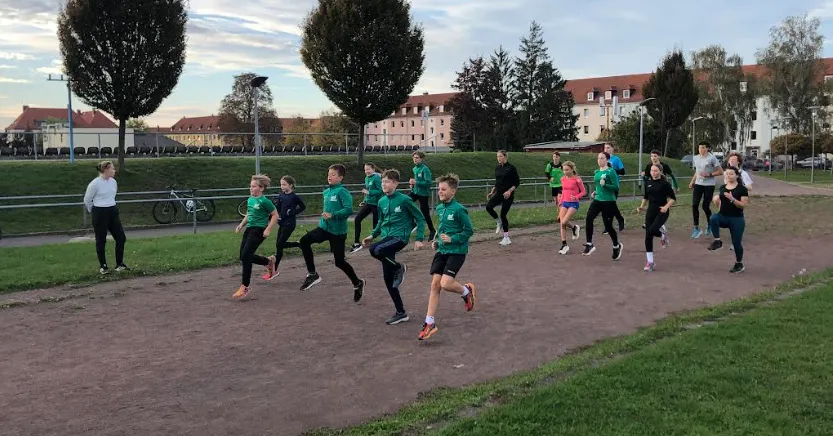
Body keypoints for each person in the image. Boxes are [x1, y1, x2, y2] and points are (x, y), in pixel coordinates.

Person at [362, 169, 427, 325]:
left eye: (387, 181)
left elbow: (420, 218)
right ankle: (401, 312)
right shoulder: (381, 201)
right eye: (383, 181)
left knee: (375, 250)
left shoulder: (404, 200)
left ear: (396, 183)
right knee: (388, 279)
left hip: (399, 237)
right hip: (387, 240)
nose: (384, 184)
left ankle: (399, 268)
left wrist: (419, 238)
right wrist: (372, 235)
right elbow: (380, 222)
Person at [418, 173, 476, 341]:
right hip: (442, 251)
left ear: (453, 192)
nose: (440, 192)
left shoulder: (459, 209)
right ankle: (429, 323)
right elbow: (441, 228)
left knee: (445, 283)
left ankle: (466, 291)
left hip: (457, 251)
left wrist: (453, 239)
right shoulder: (440, 208)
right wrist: (436, 240)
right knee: (435, 285)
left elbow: (468, 231)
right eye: (438, 189)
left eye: (443, 189)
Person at [297, 164, 366, 301]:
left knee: (339, 262)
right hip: (324, 228)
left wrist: (333, 215)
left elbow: (348, 210)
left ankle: (357, 283)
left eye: (333, 174)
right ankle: (312, 274)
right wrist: (326, 217)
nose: (329, 176)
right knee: (304, 241)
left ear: (340, 178)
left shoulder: (342, 192)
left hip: (338, 232)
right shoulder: (326, 191)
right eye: (329, 174)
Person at [233, 175, 279, 300]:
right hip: (249, 229)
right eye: (250, 186)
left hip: (259, 230)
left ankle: (245, 286)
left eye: (253, 186)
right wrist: (241, 225)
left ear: (261, 188)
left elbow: (275, 215)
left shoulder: (265, 201)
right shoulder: (250, 200)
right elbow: (249, 214)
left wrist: (268, 229)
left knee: (246, 255)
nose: (251, 188)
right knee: (243, 256)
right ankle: (268, 262)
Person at [84, 160, 128, 275]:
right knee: (101, 240)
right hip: (99, 212)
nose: (114, 171)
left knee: (121, 237)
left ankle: (120, 264)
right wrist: (93, 211)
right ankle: (103, 266)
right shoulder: (95, 183)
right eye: (112, 168)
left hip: (112, 210)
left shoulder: (113, 182)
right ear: (105, 170)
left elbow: (112, 195)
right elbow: (87, 199)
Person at [707, 166, 749, 273]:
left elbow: (743, 205)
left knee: (736, 243)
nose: (728, 176)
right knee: (713, 218)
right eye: (726, 174)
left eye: (731, 174)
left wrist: (733, 199)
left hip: (737, 219)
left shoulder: (742, 189)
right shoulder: (722, 188)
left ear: (737, 175)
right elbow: (719, 205)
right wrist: (716, 200)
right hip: (723, 216)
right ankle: (717, 241)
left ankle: (739, 264)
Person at [262, 175, 306, 281]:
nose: (282, 186)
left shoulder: (295, 197)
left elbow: (303, 207)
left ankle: (298, 244)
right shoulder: (281, 196)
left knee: (279, 244)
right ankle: (275, 270)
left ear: (290, 185)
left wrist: (292, 212)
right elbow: (277, 208)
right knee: (279, 247)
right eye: (281, 184)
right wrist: (272, 215)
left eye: (284, 184)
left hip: (290, 224)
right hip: (282, 223)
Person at [582, 152, 623, 260]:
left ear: (607, 160)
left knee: (608, 226)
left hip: (609, 201)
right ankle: (589, 243)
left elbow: (616, 187)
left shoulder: (611, 171)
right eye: (598, 158)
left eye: (602, 158)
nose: (599, 160)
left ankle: (616, 246)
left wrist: (606, 185)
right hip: (597, 200)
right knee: (589, 218)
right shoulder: (596, 172)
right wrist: (595, 192)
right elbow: (598, 186)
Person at [636, 163, 676, 272]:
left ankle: (662, 235)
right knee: (648, 236)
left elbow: (673, 198)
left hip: (662, 211)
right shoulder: (648, 182)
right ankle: (650, 262)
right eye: (652, 171)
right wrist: (641, 207)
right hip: (650, 212)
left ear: (661, 172)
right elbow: (646, 197)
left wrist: (666, 207)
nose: (653, 173)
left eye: (656, 171)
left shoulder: (665, 184)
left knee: (653, 230)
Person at [689, 141, 723, 239]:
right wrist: (692, 181)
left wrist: (709, 174)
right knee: (694, 204)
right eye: (700, 148)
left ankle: (710, 224)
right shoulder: (695, 158)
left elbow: (720, 171)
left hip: (709, 185)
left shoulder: (712, 158)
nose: (701, 149)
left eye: (703, 147)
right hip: (698, 184)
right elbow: (697, 171)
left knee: (705, 206)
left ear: (708, 148)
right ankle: (696, 228)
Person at [486, 150, 521, 246]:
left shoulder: (511, 168)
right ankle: (498, 221)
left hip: (508, 195)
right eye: (497, 156)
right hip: (499, 193)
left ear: (505, 157)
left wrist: (509, 191)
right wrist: (492, 191)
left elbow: (517, 182)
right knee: (488, 207)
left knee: (503, 214)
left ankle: (506, 237)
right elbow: (497, 182)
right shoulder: (497, 168)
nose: (498, 158)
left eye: (500, 156)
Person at [350, 163, 383, 253]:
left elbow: (381, 190)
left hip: (376, 204)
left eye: (368, 169)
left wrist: (369, 192)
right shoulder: (366, 178)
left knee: (375, 226)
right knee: (357, 219)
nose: (366, 171)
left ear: (373, 169)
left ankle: (380, 242)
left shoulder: (376, 178)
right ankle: (356, 242)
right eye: (365, 170)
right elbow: (367, 192)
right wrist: (364, 200)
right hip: (368, 203)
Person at [557, 161, 584, 255]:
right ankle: (564, 245)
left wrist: (576, 196)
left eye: (567, 170)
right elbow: (564, 192)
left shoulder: (577, 179)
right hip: (564, 202)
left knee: (564, 221)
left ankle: (574, 227)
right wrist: (559, 204)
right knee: (561, 223)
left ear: (572, 169)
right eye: (564, 170)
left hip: (574, 203)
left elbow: (583, 192)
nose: (565, 171)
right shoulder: (563, 179)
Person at [409, 151, 436, 240]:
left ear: (421, 159)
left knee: (425, 213)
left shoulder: (425, 169)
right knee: (406, 202)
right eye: (414, 158)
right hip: (416, 192)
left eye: (417, 158)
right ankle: (412, 223)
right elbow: (416, 181)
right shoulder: (414, 169)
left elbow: (428, 183)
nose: (415, 159)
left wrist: (416, 182)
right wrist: (412, 185)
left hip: (423, 194)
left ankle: (432, 231)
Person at [604, 143, 626, 231]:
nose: (606, 149)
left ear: (612, 149)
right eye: (605, 148)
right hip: (605, 186)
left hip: (614, 186)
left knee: (610, 205)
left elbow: (622, 172)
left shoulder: (616, 159)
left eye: (608, 148)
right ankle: (620, 219)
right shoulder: (603, 159)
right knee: (609, 205)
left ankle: (608, 226)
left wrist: (613, 169)